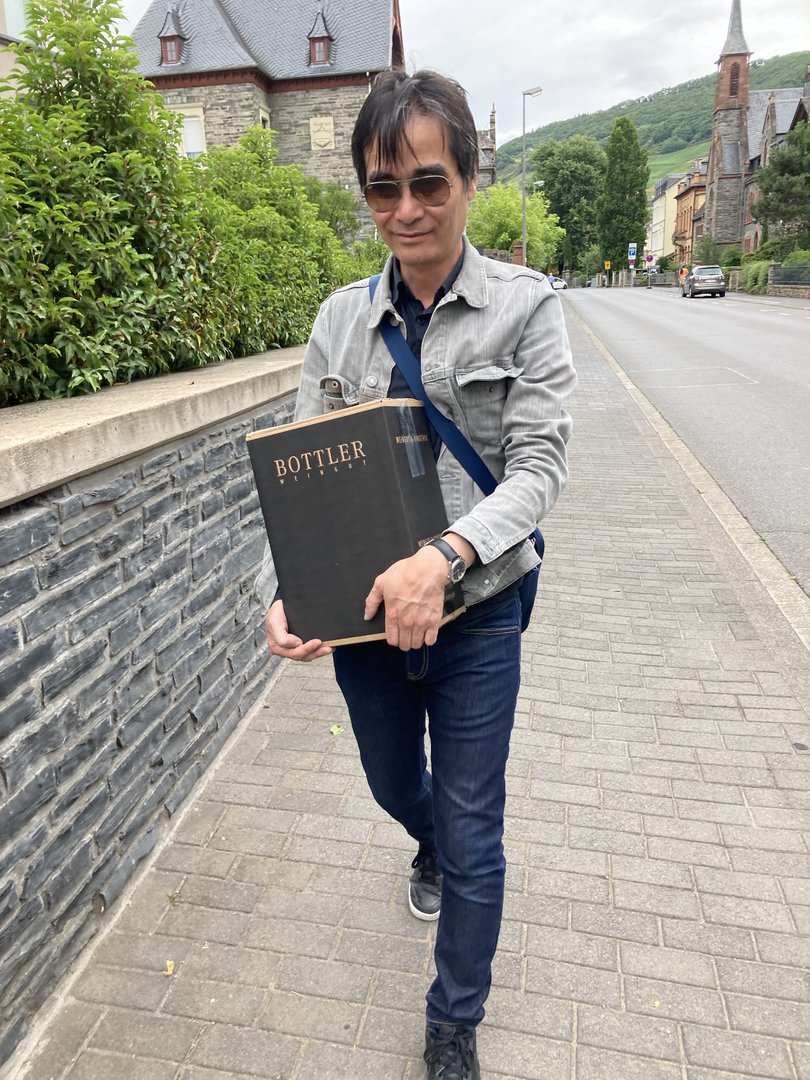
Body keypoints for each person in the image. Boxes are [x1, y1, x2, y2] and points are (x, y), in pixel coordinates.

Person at [257, 68, 576, 1080]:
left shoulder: (526, 309)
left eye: (429, 183)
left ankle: (453, 1022)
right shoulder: (339, 321)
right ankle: (424, 839)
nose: (406, 210)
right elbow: (299, 472)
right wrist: (284, 589)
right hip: (364, 624)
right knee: (396, 784)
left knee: (478, 830)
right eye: (383, 188)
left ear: (470, 180)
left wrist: (444, 558)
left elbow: (538, 470)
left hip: (480, 613)